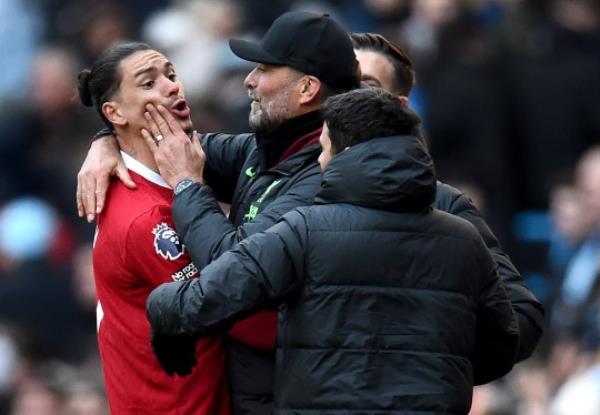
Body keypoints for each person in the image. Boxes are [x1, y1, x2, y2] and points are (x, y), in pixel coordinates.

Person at [76, 14, 541, 412]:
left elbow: (231, 277)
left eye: (366, 90)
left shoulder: (327, 203)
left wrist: (411, 351)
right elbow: (181, 149)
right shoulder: (271, 152)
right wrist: (108, 138)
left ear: (309, 89)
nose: (248, 80)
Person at [146, 87, 520, 414]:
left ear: (348, 151)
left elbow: (212, 292)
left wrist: (164, 317)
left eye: (324, 149)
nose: (320, 161)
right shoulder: (464, 239)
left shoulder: (306, 229)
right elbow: (502, 345)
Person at [351, 32, 544, 361]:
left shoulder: (444, 207)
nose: (349, 98)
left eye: (367, 87)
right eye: (341, 84)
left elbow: (521, 319)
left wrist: (434, 360)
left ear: (399, 107)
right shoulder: (291, 190)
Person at [76, 41, 229, 414]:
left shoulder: (171, 180)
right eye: (149, 83)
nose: (172, 86)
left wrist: (104, 141)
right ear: (114, 112)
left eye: (171, 75)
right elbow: (234, 298)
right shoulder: (147, 221)